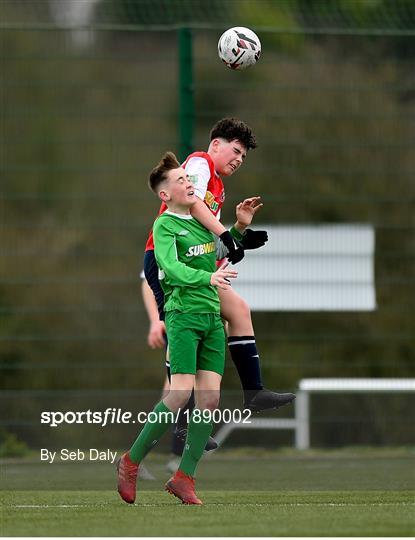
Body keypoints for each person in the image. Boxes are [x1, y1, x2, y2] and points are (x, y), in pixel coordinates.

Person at [144, 117, 295, 413]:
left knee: (237, 311)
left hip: (195, 266)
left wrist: (238, 233)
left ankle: (254, 392)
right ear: (216, 144)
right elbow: (193, 205)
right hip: (167, 262)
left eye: (244, 156)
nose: (239, 159)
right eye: (236, 150)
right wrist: (228, 233)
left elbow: (206, 247)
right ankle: (180, 421)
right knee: (180, 333)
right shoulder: (200, 163)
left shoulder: (218, 188)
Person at [117, 152, 238, 505]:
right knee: (180, 392)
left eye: (188, 178)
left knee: (211, 398)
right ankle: (130, 461)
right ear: (164, 195)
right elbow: (169, 270)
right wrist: (208, 276)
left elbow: (224, 249)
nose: (189, 183)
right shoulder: (165, 226)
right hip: (182, 315)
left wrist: (241, 227)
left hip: (211, 318)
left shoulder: (204, 221)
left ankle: (184, 477)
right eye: (181, 181)